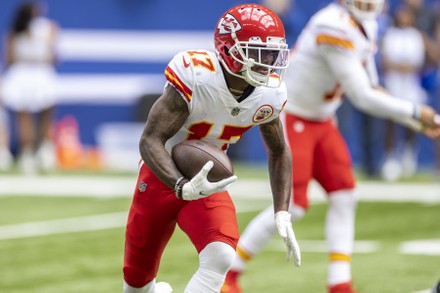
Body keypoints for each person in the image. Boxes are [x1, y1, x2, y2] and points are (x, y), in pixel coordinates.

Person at [222, 0, 440, 292]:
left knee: (345, 193)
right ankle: (230, 274)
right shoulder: (333, 24)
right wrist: (415, 113)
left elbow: (372, 85)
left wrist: (416, 122)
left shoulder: (367, 23)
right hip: (295, 114)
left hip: (322, 118)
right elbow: (362, 96)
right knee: (293, 206)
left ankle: (339, 283)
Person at [122, 4, 301, 293]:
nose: (268, 62)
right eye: (258, 53)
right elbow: (149, 140)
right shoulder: (196, 75)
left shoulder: (269, 94)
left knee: (221, 254)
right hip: (160, 176)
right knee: (136, 286)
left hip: (206, 180)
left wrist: (282, 212)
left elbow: (279, 150)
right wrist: (180, 184)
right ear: (230, 50)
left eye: (272, 53)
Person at [0, 1, 59, 174]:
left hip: (36, 73)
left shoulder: (47, 29)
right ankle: (32, 152)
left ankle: (39, 151)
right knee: (27, 115)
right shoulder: (20, 30)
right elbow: (10, 57)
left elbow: (51, 56)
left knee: (37, 114)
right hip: (27, 74)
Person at [380, 4, 427, 181]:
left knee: (411, 122)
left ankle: (408, 155)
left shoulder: (416, 36)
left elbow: (418, 63)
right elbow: (386, 62)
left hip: (411, 87)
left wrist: (402, 66)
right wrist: (400, 66)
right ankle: (390, 159)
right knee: (391, 122)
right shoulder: (390, 34)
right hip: (393, 86)